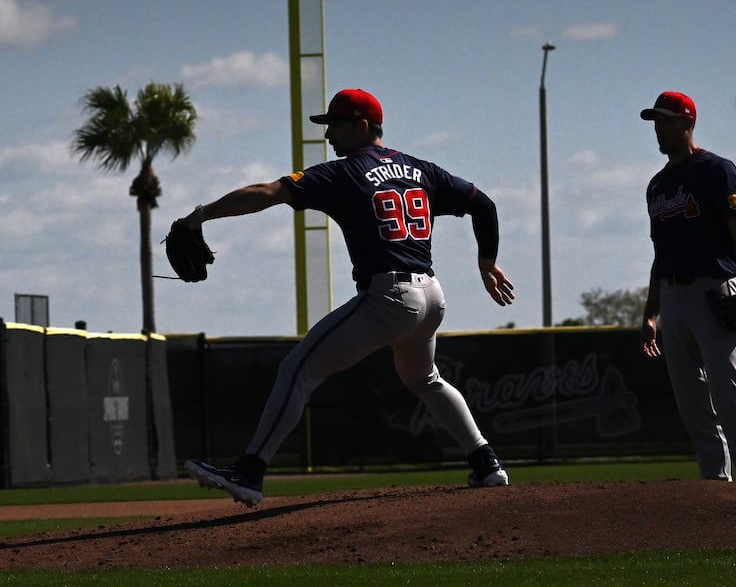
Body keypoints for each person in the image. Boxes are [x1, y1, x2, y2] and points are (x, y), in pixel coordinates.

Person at [176, 88, 516, 507]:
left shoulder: (345, 173)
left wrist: (201, 215)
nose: (328, 135)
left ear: (362, 126)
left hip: (389, 297)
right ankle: (486, 463)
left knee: (297, 369)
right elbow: (483, 205)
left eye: (334, 125)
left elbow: (267, 192)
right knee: (424, 379)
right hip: (431, 297)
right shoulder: (421, 170)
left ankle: (250, 471)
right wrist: (487, 262)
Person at [638, 90, 736, 484]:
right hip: (674, 299)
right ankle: (716, 485)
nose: (659, 129)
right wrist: (650, 313)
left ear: (687, 122)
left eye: (665, 120)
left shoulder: (716, 169)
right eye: (656, 122)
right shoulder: (657, 186)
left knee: (730, 396)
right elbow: (660, 255)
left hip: (714, 292)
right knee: (692, 403)